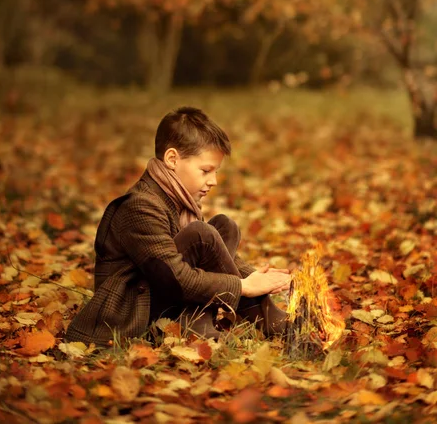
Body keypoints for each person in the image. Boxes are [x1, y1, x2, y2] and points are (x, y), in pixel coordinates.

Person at [65, 107, 291, 346]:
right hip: (136, 312)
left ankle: (198, 320)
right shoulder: (140, 206)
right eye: (206, 170)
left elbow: (215, 257)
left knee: (224, 226)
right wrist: (243, 286)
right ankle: (267, 319)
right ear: (172, 159)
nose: (213, 181)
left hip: (167, 297)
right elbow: (174, 277)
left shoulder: (180, 200)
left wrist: (254, 277)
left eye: (216, 172)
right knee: (201, 235)